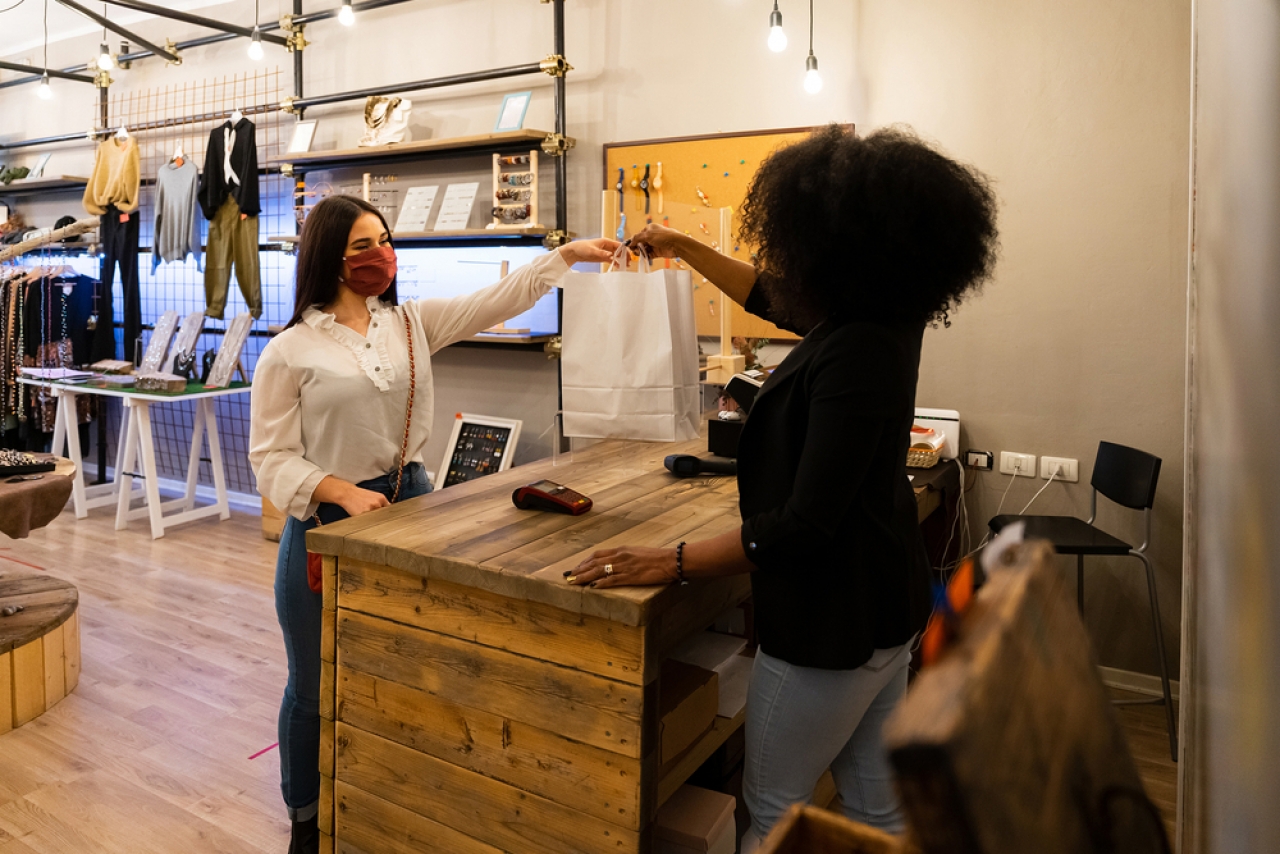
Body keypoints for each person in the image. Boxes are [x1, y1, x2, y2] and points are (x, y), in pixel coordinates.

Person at [567, 125, 998, 849]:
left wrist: (671, 560)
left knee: (772, 809)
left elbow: (802, 527)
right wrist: (683, 245)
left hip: (831, 625)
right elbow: (771, 297)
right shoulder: (885, 315)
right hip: (884, 608)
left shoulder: (856, 351)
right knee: (877, 808)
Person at [250, 194, 618, 854]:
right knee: (311, 685)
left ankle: (390, 796)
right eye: (363, 245)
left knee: (408, 666)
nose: (381, 255)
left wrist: (564, 255)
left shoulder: (410, 323)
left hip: (413, 511)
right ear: (330, 256)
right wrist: (341, 491)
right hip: (327, 524)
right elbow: (270, 457)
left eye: (385, 240)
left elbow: (496, 299)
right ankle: (305, 817)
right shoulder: (289, 350)